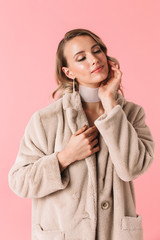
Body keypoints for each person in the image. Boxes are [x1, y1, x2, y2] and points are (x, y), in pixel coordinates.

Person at [8, 28, 155, 240]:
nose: (94, 60)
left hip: (114, 234)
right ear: (69, 72)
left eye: (97, 51)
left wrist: (111, 105)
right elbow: (19, 181)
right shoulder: (46, 120)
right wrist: (65, 157)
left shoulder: (132, 114)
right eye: (82, 58)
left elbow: (132, 168)